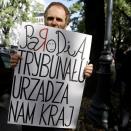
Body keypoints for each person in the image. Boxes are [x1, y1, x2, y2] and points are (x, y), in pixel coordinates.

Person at [10, 2, 93, 131]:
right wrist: (16, 65)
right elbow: (21, 83)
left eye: (59, 19)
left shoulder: (76, 49)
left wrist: (84, 73)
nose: (54, 22)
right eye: (50, 18)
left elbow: (75, 88)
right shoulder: (31, 43)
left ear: (66, 22)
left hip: (57, 121)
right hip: (30, 118)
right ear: (44, 20)